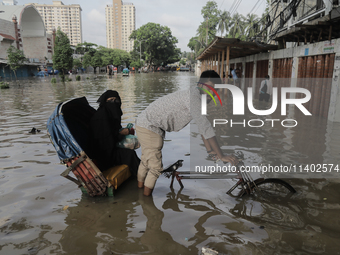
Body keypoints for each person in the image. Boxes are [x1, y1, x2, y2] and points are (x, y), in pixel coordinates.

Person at [135, 70, 238, 196]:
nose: (211, 92)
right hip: (149, 125)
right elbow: (206, 127)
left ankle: (139, 193)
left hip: (145, 122)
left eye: (214, 90)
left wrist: (211, 151)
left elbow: (202, 127)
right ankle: (146, 202)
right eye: (209, 87)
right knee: (155, 168)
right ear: (200, 84)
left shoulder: (196, 96)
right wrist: (221, 155)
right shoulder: (193, 97)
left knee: (146, 161)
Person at [90, 90, 140, 176]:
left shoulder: (111, 115)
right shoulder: (101, 117)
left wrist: (121, 132)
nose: (114, 103)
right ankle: (141, 177)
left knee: (130, 152)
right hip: (104, 154)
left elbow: (113, 131)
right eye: (111, 100)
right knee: (130, 154)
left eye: (116, 100)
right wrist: (120, 134)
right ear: (105, 102)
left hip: (112, 148)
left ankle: (141, 175)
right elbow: (105, 140)